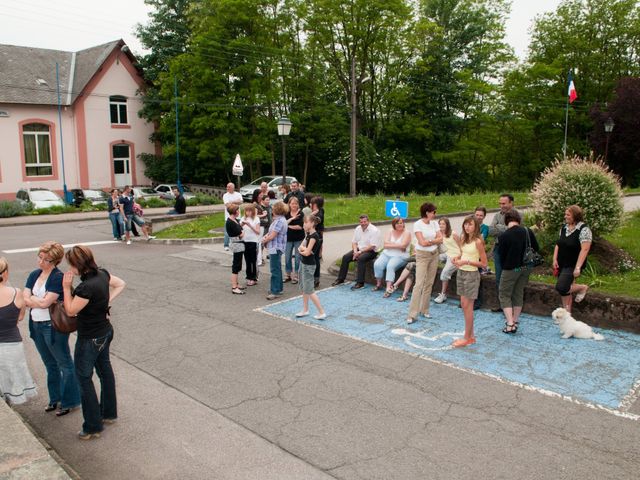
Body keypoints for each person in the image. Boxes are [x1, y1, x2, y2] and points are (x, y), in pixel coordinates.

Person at [62, 245, 125, 440]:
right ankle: (108, 413)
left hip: (90, 337)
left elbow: (71, 310)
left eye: (71, 265)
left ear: (76, 265)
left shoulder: (85, 288)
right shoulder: (103, 274)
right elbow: (121, 283)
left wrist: (66, 288)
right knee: (105, 370)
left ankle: (92, 425)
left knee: (84, 378)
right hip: (105, 332)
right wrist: (107, 301)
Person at [23, 241, 80, 416]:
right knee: (49, 364)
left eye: (46, 260)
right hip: (36, 324)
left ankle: (70, 401)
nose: (41, 262)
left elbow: (45, 303)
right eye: (40, 257)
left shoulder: (57, 277)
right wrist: (35, 301)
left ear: (55, 261)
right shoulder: (34, 274)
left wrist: (34, 300)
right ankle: (55, 398)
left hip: (53, 326)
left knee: (64, 363)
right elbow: (25, 297)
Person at [0, 257, 37, 405]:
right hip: (12, 344)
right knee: (12, 382)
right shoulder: (16, 292)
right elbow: (20, 317)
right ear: (5, 273)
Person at [497, 210, 539, 334]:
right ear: (518, 220)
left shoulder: (504, 236)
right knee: (518, 293)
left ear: (506, 221)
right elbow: (536, 248)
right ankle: (515, 321)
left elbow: (501, 256)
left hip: (511, 269)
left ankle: (510, 324)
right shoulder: (527, 231)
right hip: (525, 268)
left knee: (504, 294)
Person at [451, 216, 488, 347]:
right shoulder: (464, 239)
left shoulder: (478, 241)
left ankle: (467, 338)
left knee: (468, 307)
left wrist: (466, 261)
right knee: (463, 304)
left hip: (472, 275)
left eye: (470, 225)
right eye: (465, 224)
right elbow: (463, 253)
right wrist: (456, 258)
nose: (467, 227)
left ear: (476, 227)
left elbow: (484, 263)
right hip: (461, 272)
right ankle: (471, 336)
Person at [406, 203, 442, 324]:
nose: (435, 214)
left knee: (429, 283)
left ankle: (424, 310)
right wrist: (433, 241)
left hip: (434, 255)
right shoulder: (418, 224)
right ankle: (412, 314)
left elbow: (440, 238)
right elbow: (421, 243)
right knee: (419, 284)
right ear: (427, 212)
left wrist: (430, 241)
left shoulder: (435, 223)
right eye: (433, 212)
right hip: (422, 256)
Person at [553, 205, 592, 312]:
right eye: (565, 214)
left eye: (568, 215)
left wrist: (578, 267)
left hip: (573, 264)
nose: (565, 216)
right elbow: (558, 244)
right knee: (565, 291)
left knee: (562, 287)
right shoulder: (564, 227)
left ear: (575, 216)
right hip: (561, 262)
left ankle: (582, 287)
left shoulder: (584, 229)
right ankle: (567, 314)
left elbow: (585, 249)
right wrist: (554, 259)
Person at [332, 215, 382, 290]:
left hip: (371, 251)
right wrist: (355, 251)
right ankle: (340, 279)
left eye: (365, 221)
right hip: (359, 249)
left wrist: (360, 252)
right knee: (345, 257)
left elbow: (372, 246)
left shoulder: (375, 230)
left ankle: (360, 283)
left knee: (361, 259)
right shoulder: (358, 228)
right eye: (361, 222)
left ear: (368, 221)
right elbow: (354, 242)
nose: (363, 223)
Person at [488, 194, 519, 312]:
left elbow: (516, 231)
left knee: (511, 278)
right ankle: (502, 305)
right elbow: (491, 230)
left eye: (504, 203)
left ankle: (511, 305)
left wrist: (499, 227)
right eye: (500, 203)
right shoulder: (497, 215)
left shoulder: (518, 215)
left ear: (511, 203)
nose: (501, 206)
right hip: (498, 248)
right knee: (499, 277)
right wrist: (505, 227)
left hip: (512, 250)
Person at [295, 216, 327, 320]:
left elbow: (307, 252)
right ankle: (305, 309)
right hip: (303, 263)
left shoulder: (314, 236)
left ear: (312, 223)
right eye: (303, 223)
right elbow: (300, 248)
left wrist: (304, 250)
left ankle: (321, 312)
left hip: (309, 265)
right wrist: (304, 250)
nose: (304, 224)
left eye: (306, 222)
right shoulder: (308, 235)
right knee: (304, 288)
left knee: (310, 290)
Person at [373, 218, 411, 296]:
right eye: (397, 223)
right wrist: (399, 245)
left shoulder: (407, 233)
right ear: (394, 225)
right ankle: (378, 284)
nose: (400, 225)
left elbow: (404, 245)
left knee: (390, 266)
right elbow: (385, 245)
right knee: (377, 264)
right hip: (386, 254)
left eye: (401, 223)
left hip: (400, 256)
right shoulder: (390, 231)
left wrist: (390, 244)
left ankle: (388, 288)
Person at [262, 201, 289, 300]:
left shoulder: (279, 221)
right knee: (277, 268)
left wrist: (264, 240)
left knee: (274, 270)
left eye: (273, 208)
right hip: (276, 247)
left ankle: (275, 291)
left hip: (275, 248)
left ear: (277, 210)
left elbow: (272, 235)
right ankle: (279, 288)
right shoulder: (280, 220)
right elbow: (270, 233)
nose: (272, 210)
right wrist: (266, 237)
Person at [434, 218, 461, 304]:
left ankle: (443, 294)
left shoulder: (453, 234)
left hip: (454, 256)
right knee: (431, 257)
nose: (441, 225)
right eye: (440, 224)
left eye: (443, 224)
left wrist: (459, 258)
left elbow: (461, 247)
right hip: (445, 254)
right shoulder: (439, 234)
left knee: (444, 273)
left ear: (447, 225)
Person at [225, 205, 246, 295]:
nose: (239, 212)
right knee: (236, 265)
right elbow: (241, 234)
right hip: (236, 244)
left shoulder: (235, 220)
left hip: (239, 244)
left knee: (238, 264)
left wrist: (241, 226)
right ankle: (234, 287)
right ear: (234, 211)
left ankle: (236, 284)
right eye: (238, 210)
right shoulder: (230, 222)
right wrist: (243, 231)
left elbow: (239, 229)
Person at [284, 197, 304, 284]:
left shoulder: (301, 214)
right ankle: (288, 274)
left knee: (297, 258)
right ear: (289, 204)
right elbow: (283, 223)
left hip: (298, 239)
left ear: (298, 205)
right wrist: (289, 223)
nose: (294, 205)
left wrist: (288, 226)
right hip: (288, 238)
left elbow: (299, 227)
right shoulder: (286, 213)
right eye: (292, 203)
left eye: (296, 204)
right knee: (287, 257)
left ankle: (296, 275)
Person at [241, 205, 260, 287]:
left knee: (253, 260)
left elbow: (258, 231)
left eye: (249, 211)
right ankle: (248, 277)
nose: (248, 213)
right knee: (247, 260)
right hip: (245, 241)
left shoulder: (256, 219)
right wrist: (242, 224)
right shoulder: (243, 218)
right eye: (246, 211)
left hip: (253, 241)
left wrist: (250, 225)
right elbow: (239, 228)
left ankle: (254, 278)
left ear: (252, 211)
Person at [223, 183, 243, 251]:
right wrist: (235, 202)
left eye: (228, 187)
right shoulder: (225, 195)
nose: (227, 188)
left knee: (238, 230)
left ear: (233, 187)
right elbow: (227, 205)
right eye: (227, 187)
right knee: (227, 232)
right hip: (228, 217)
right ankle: (226, 245)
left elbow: (241, 202)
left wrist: (232, 202)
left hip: (238, 216)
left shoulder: (238, 194)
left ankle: (238, 243)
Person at [311, 196, 325, 287]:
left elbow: (316, 221)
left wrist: (312, 215)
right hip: (316, 236)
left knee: (315, 258)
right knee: (314, 257)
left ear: (316, 204)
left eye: (312, 203)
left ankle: (316, 279)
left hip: (317, 236)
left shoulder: (319, 212)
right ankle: (315, 278)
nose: (311, 205)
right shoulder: (320, 211)